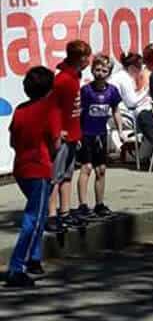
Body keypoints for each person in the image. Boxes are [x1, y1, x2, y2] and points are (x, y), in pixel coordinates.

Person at [6, 67, 61, 288]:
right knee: (34, 218)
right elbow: (56, 143)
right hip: (39, 168)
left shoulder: (20, 110)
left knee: (37, 213)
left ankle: (34, 258)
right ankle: (16, 267)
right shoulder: (51, 109)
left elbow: (12, 141)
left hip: (21, 167)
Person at [47, 39, 92, 233]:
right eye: (86, 57)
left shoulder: (75, 76)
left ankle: (65, 212)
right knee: (55, 177)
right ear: (80, 58)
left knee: (67, 175)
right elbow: (53, 107)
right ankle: (51, 214)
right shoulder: (63, 79)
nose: (88, 60)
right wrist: (57, 132)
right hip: (63, 135)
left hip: (73, 133)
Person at [76, 55, 122, 219]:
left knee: (101, 170)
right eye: (97, 70)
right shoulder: (86, 90)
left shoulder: (112, 91)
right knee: (86, 168)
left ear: (109, 72)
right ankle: (82, 205)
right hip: (86, 134)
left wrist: (120, 130)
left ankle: (99, 204)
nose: (100, 73)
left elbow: (116, 111)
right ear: (92, 70)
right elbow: (78, 112)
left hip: (101, 134)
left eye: (104, 70)